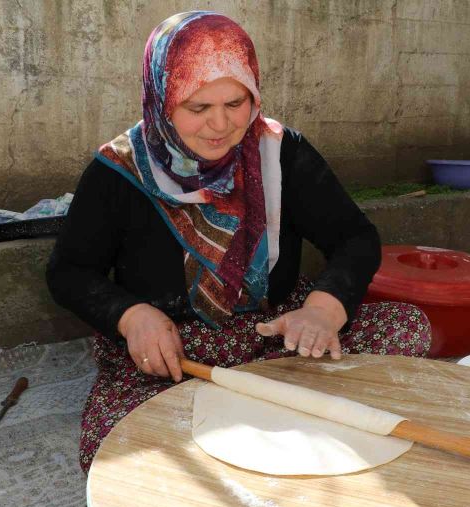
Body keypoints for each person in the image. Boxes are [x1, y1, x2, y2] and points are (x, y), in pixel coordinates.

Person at [46, 11, 432, 473]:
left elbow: (354, 237)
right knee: (115, 453)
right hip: (175, 356)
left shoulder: (279, 152)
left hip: (275, 337)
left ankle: (266, 405)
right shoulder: (119, 172)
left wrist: (322, 311)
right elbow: (68, 271)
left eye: (236, 103)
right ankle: (270, 410)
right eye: (198, 107)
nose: (221, 125)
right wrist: (132, 318)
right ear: (161, 100)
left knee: (407, 327)